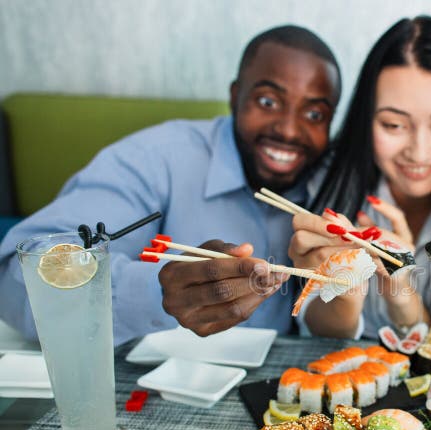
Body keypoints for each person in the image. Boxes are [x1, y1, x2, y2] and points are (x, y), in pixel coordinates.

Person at [0, 26, 342, 343]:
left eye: (314, 115)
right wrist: (157, 293)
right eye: (268, 102)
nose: (288, 130)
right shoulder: (155, 159)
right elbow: (18, 279)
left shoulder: (337, 181)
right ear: (236, 96)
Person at [288, 16, 431, 343]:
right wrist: (345, 293)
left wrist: (401, 293)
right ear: (366, 118)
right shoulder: (331, 180)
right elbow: (313, 325)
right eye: (394, 125)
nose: (419, 152)